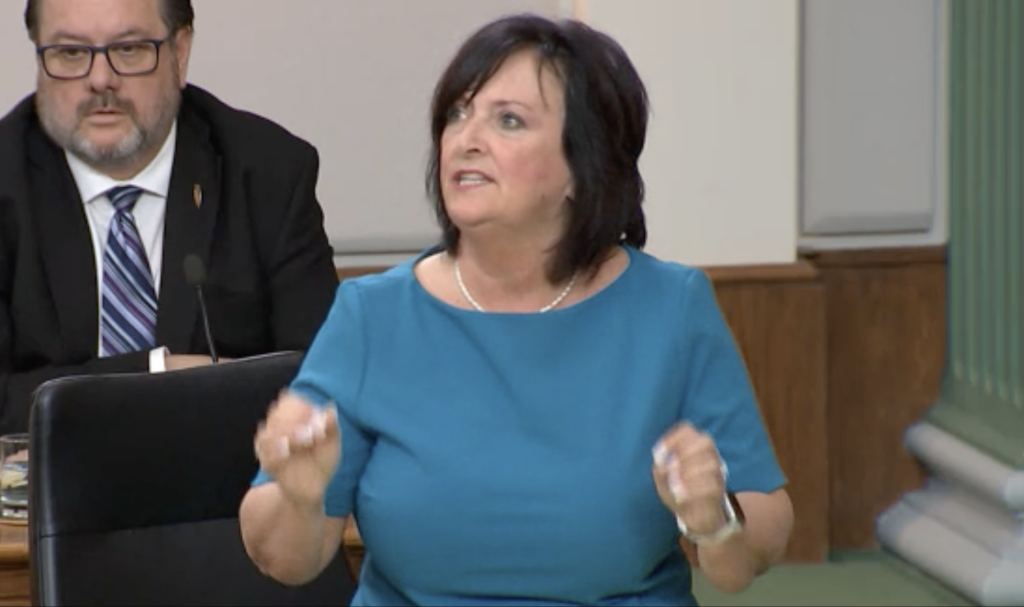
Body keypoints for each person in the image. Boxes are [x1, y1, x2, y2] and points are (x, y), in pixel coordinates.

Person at [239, 13, 794, 607]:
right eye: (457, 114)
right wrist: (299, 498)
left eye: (508, 120)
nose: (466, 139)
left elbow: (756, 543)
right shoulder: (373, 317)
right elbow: (282, 560)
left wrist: (714, 522)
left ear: (582, 166)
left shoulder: (669, 309)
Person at [0, 0, 339, 434]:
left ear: (180, 53)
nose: (100, 79)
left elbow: (322, 380)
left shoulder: (266, 174)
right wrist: (157, 372)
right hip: (42, 476)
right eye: (70, 53)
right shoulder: (7, 177)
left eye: (129, 49)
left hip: (222, 472)